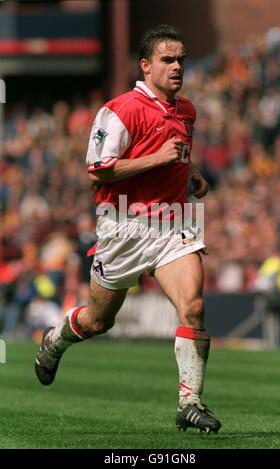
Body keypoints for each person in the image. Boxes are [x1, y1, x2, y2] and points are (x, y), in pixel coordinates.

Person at [35, 24, 222, 434]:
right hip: (123, 227)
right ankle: (55, 341)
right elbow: (98, 173)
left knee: (193, 306)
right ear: (145, 65)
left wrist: (191, 174)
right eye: (167, 60)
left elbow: (175, 152)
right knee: (99, 322)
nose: (177, 67)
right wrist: (157, 159)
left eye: (182, 60)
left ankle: (189, 402)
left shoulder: (186, 110)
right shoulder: (119, 110)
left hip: (173, 223)